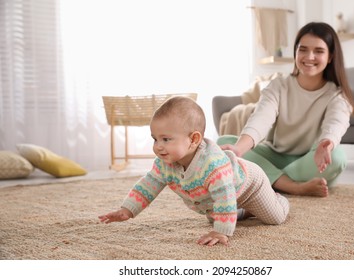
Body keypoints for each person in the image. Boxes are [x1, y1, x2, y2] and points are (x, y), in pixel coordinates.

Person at [99, 96, 289, 246]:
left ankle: (278, 198)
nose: (158, 147)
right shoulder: (165, 163)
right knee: (215, 216)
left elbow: (225, 197)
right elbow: (148, 184)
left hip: (251, 185)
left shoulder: (213, 166)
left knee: (275, 218)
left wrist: (221, 231)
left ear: (194, 139)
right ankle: (243, 212)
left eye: (166, 139)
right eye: (155, 139)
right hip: (215, 198)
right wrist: (127, 210)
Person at [218, 22, 354, 198]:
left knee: (337, 158)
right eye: (303, 49)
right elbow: (261, 118)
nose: (309, 56)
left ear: (330, 57)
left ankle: (267, 179)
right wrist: (238, 150)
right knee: (225, 142)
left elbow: (336, 122)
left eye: (319, 51)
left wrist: (327, 143)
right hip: (274, 155)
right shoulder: (278, 86)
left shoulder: (337, 95)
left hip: (309, 159)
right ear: (296, 52)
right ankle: (293, 186)